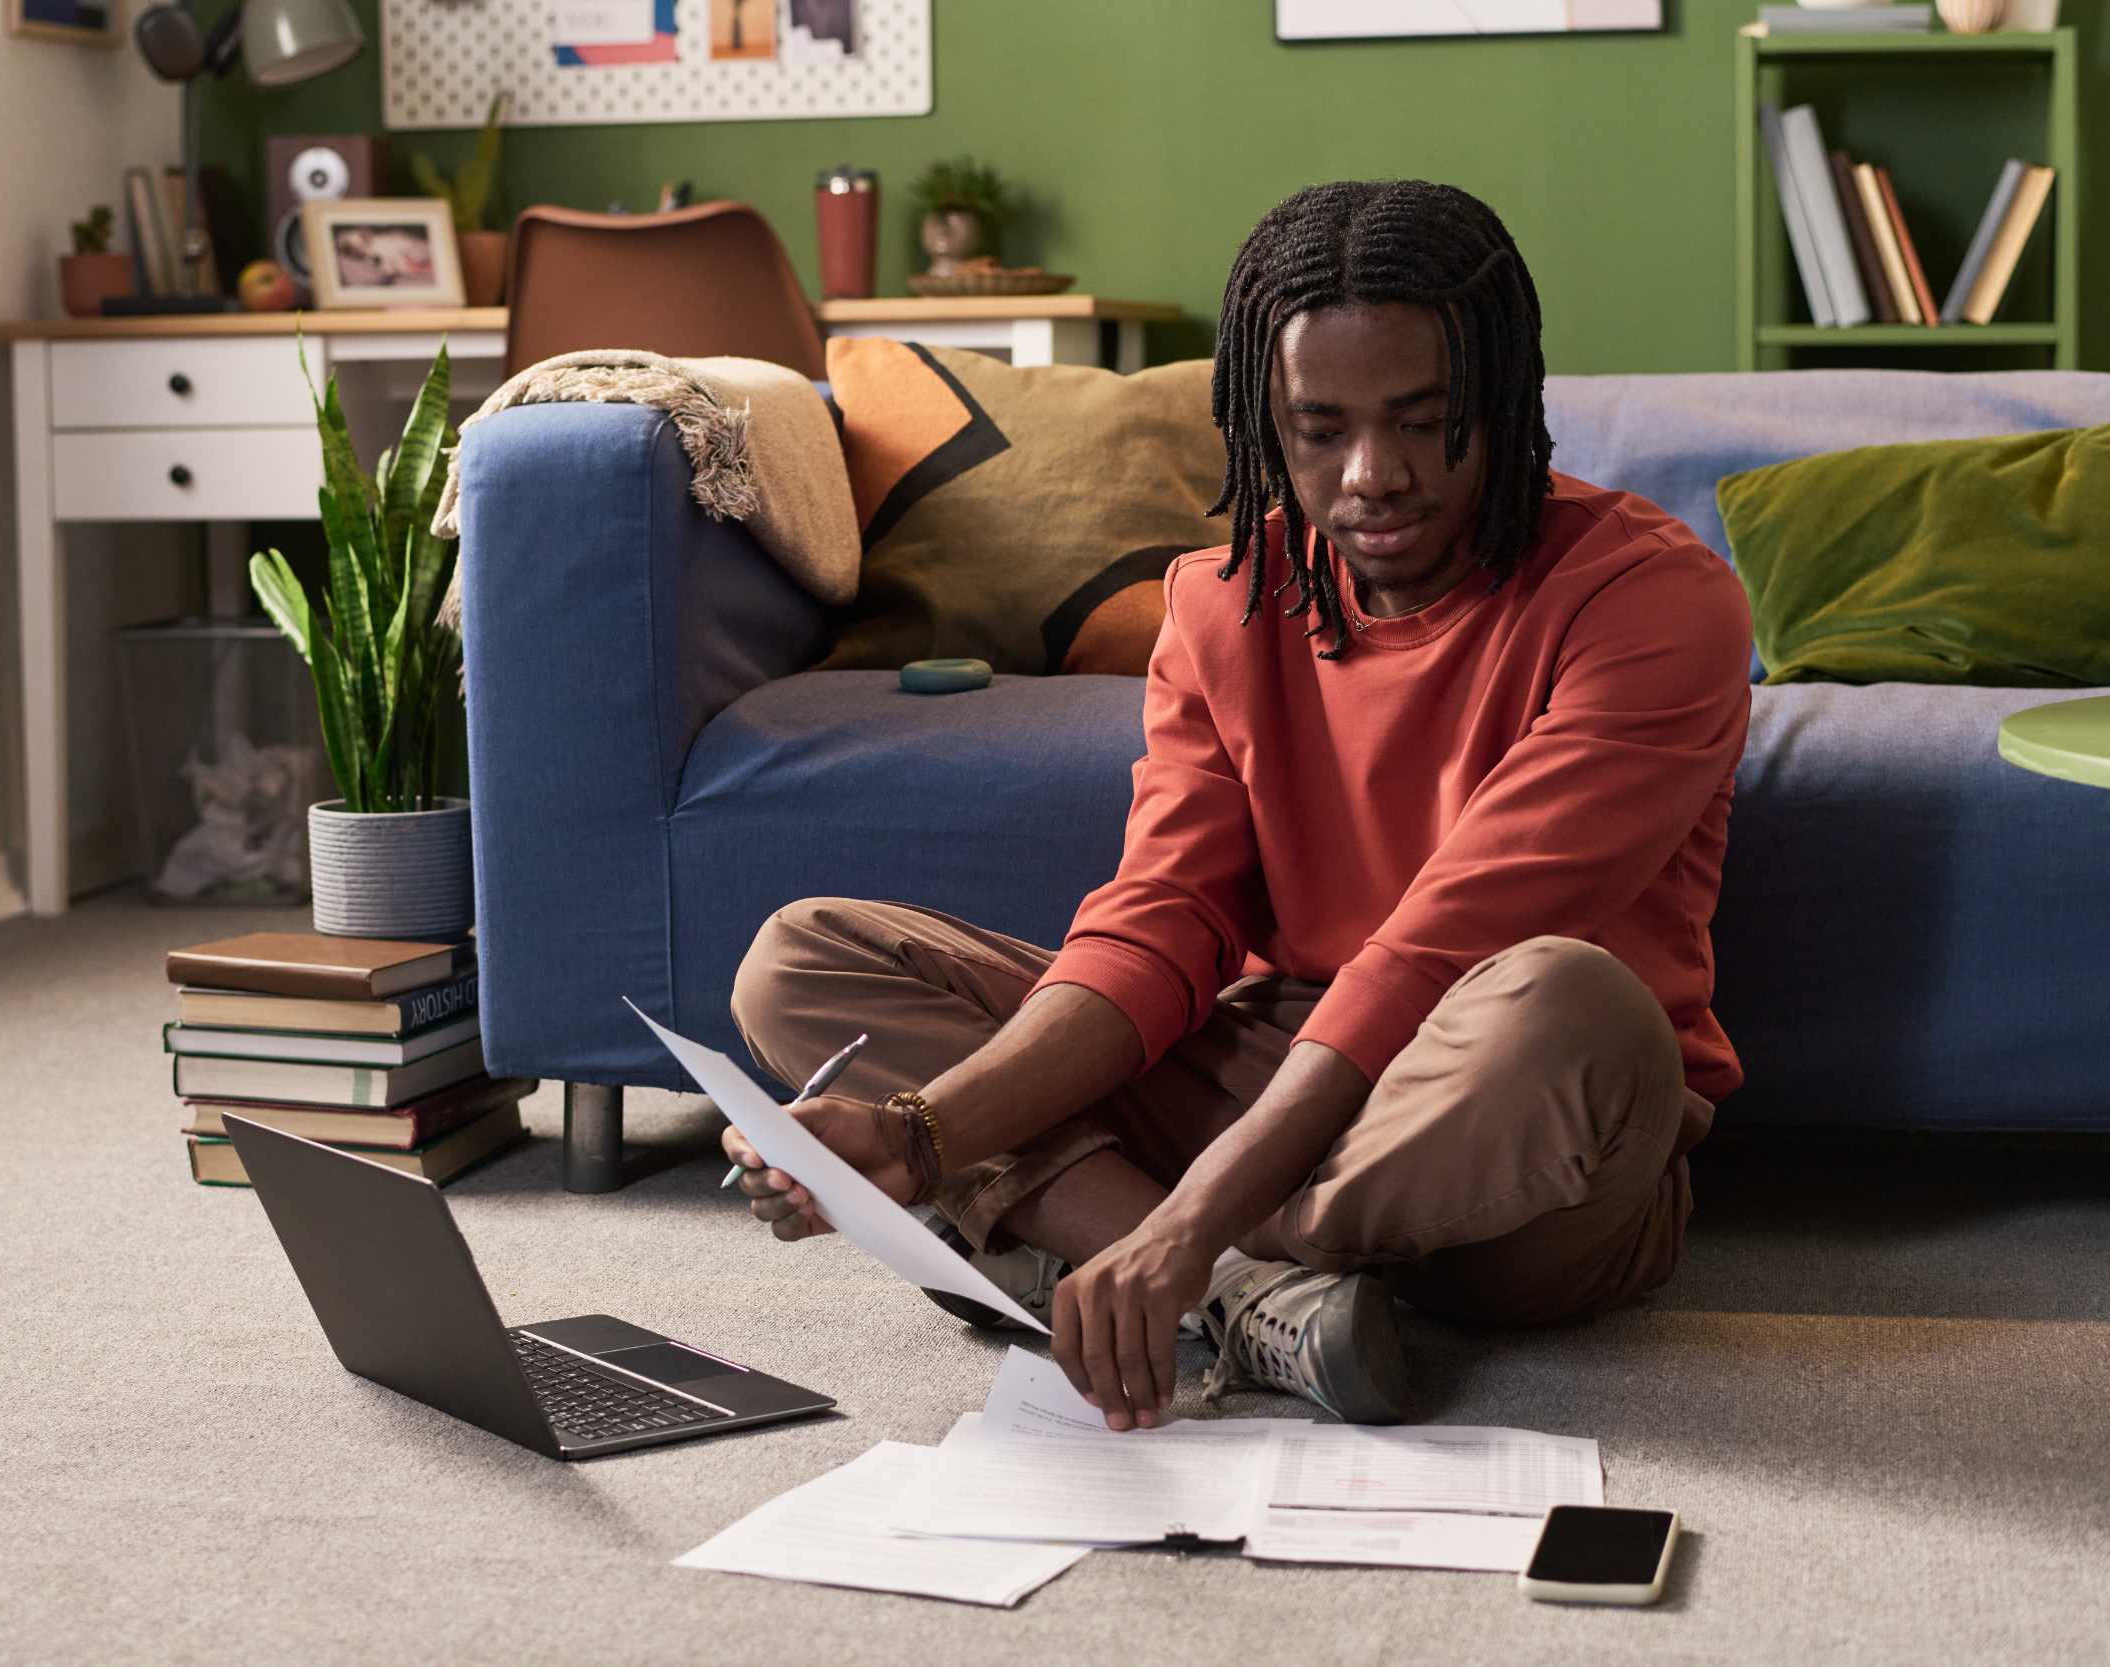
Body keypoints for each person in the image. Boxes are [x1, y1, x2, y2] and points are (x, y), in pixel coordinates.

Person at [722, 179, 1753, 1432]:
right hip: (1268, 1058)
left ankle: (1148, 1251)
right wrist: (923, 1136)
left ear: (1502, 396)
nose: (1373, 475)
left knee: (1576, 1000)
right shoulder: (1221, 601)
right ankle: (1250, 1293)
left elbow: (1443, 947)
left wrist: (1178, 1211)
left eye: (1428, 421)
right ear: (1265, 421)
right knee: (801, 957)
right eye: (1319, 431)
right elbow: (1163, 923)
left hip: (1501, 1130)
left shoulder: (1654, 600)